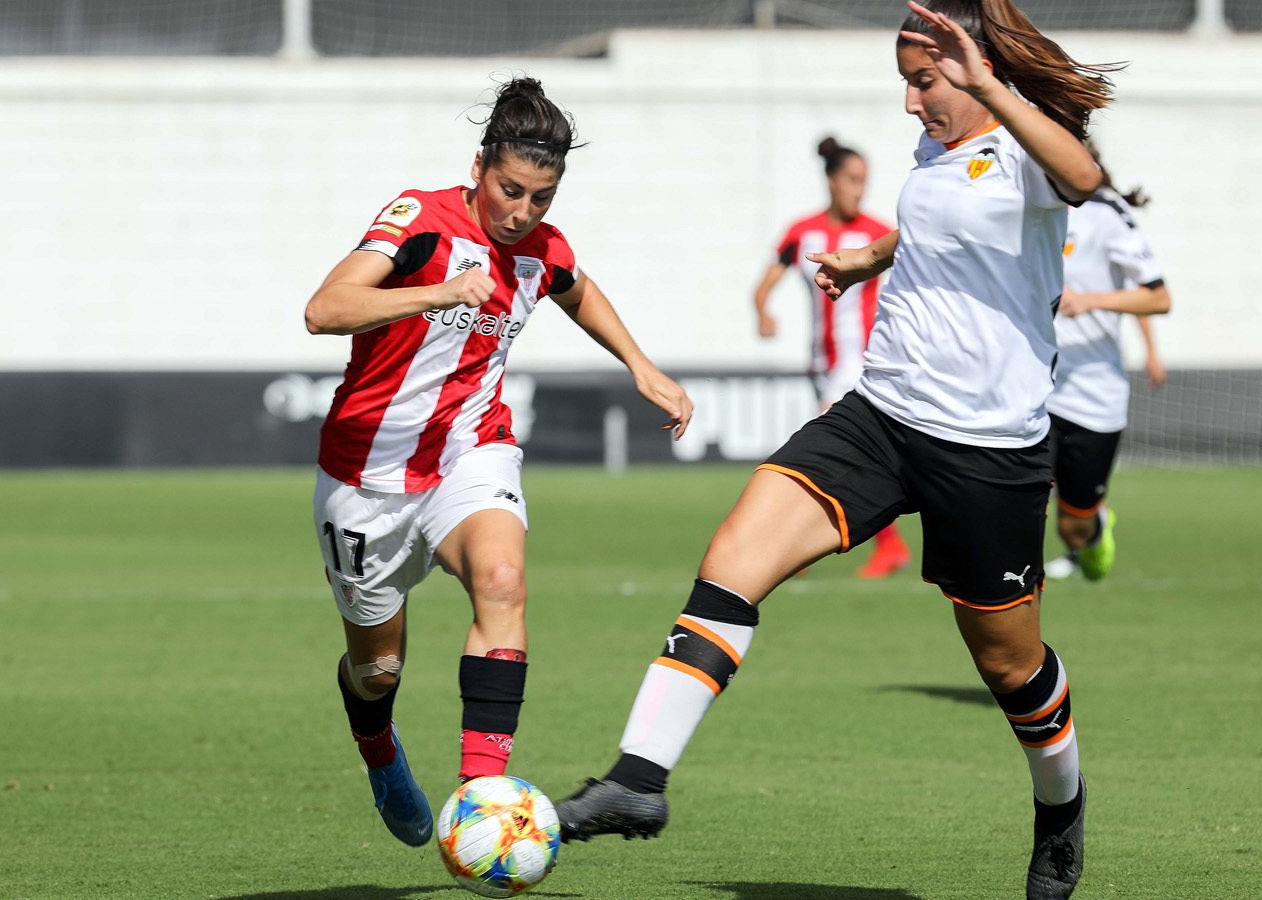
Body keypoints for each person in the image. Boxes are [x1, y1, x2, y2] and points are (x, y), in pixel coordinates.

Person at [555, 3, 1114, 897]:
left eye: (922, 80)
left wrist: (987, 87)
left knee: (1009, 664)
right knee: (734, 555)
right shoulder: (940, 146)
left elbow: (1084, 179)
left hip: (987, 448)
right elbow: (952, 225)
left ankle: (1061, 811)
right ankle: (638, 779)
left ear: (972, 67)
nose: (907, 102)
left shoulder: (1028, 144)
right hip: (880, 416)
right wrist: (873, 258)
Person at [303, 76, 692, 849]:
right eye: (510, 190)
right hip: (365, 479)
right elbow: (324, 310)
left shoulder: (541, 248)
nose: (522, 213)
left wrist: (640, 366)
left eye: (540, 198)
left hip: (468, 453)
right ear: (479, 166)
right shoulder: (418, 216)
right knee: (377, 670)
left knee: (504, 580)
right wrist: (437, 292)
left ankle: (483, 805)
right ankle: (380, 753)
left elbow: (575, 286)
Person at [751, 137, 911, 579]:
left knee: (820, 453)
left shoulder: (879, 233)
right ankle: (885, 545)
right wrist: (763, 310)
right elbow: (765, 283)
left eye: (864, 181)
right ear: (831, 180)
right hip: (823, 363)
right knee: (847, 456)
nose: (859, 190)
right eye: (852, 180)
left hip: (862, 363)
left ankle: (789, 547)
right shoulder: (803, 231)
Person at [1044, 148, 1172, 582]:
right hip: (1034, 386)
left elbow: (1157, 297)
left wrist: (1091, 302)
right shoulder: (1026, 205)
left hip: (1093, 393)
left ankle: (1093, 530)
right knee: (1019, 496)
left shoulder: (1105, 214)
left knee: (1071, 522)